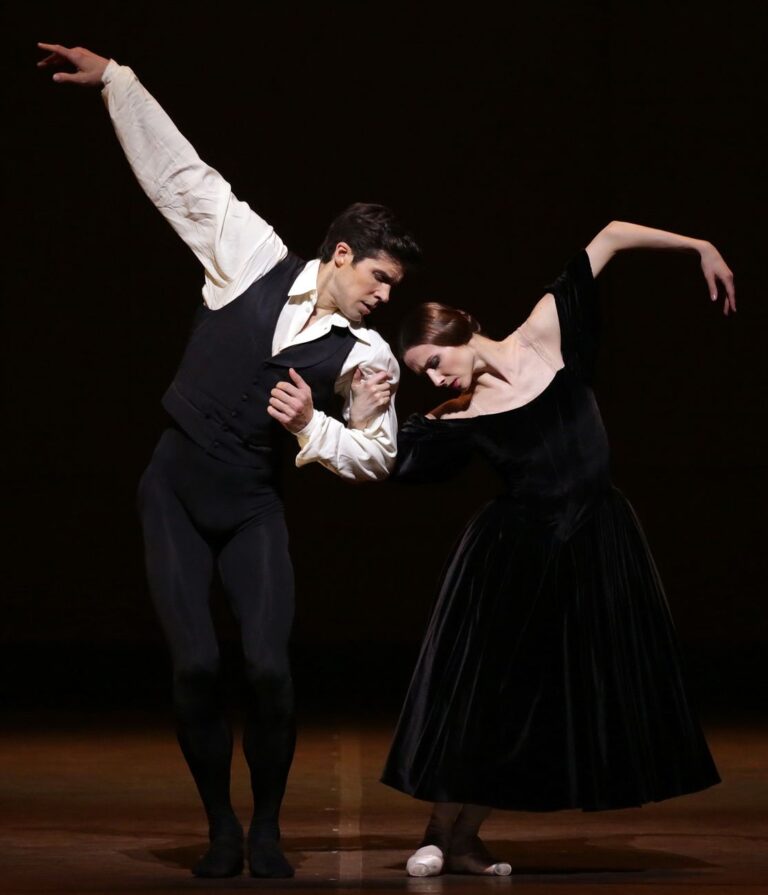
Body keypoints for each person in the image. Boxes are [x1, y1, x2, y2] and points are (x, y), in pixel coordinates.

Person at [37, 42, 419, 879]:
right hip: (173, 488)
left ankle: (270, 826)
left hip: (251, 505)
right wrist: (119, 82)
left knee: (270, 666)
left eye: (394, 287)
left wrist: (315, 427)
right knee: (198, 664)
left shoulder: (367, 356)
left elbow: (378, 455)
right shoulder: (251, 254)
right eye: (381, 278)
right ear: (343, 255)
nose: (387, 297)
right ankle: (220, 825)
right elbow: (182, 177)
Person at [370, 221, 734, 877]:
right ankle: (438, 831)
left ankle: (467, 837)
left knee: (541, 704)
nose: (433, 379)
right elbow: (393, 464)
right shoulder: (457, 414)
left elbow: (613, 235)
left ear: (455, 331)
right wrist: (364, 411)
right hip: (516, 552)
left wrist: (699, 247)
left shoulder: (546, 331)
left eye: (431, 363)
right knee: (488, 695)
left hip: (596, 541)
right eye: (423, 374)